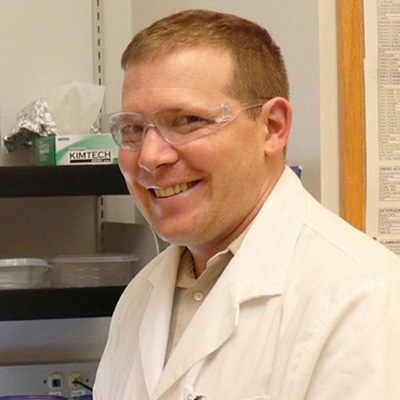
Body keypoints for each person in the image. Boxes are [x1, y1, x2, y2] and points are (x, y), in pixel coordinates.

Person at [93, 9, 400, 400]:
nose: (150, 157)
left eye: (187, 120)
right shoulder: (141, 296)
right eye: (133, 129)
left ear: (273, 127)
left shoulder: (362, 297)